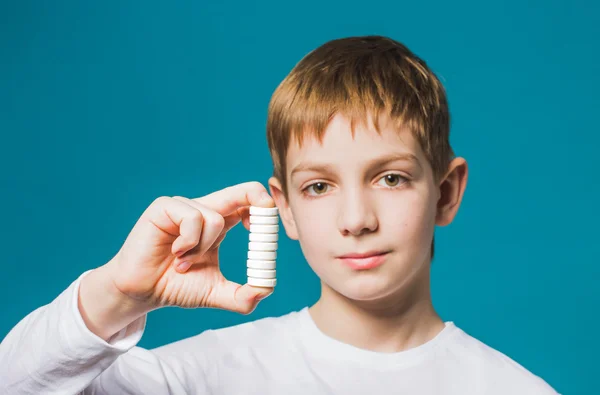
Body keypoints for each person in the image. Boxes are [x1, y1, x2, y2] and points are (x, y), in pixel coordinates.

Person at [0, 35, 560, 394]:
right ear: (283, 209)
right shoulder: (194, 380)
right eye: (319, 186)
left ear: (445, 192)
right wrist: (117, 294)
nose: (356, 218)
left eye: (390, 178)